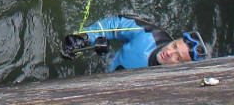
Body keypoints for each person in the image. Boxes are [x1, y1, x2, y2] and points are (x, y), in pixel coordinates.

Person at [61, 15, 209, 71]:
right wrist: (86, 38)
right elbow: (115, 25)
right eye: (174, 45)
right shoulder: (149, 35)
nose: (169, 52)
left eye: (178, 57)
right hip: (104, 67)